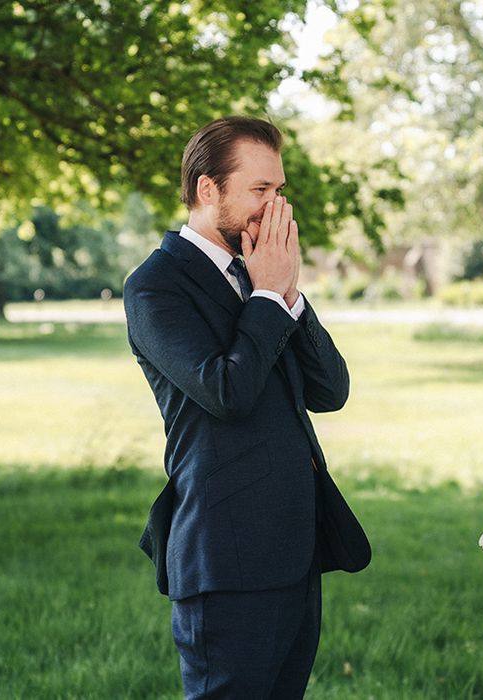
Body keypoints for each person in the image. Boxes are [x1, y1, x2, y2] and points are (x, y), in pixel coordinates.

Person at [123, 115, 370, 699]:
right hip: (225, 557)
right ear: (208, 190)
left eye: (278, 190)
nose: (274, 206)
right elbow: (226, 393)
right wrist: (265, 294)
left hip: (295, 548)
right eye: (260, 191)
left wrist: (287, 295)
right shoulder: (156, 286)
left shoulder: (264, 274)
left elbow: (329, 392)